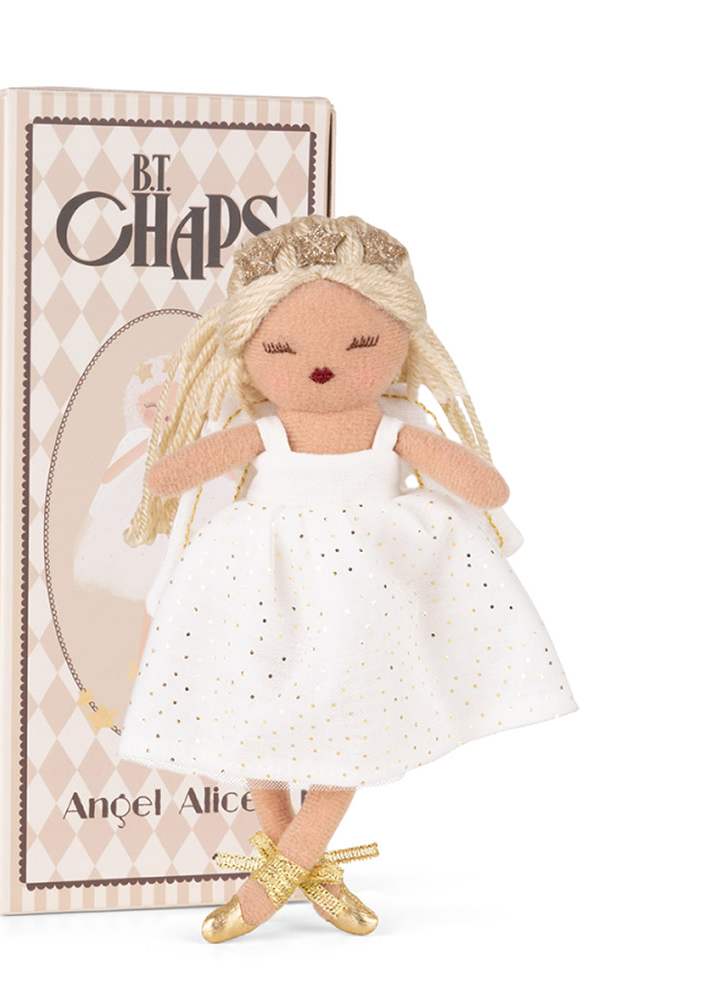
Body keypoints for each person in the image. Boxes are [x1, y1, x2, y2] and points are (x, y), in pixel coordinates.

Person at [117, 214, 577, 942]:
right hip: (262, 575)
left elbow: (486, 488)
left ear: (400, 341)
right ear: (248, 353)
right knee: (256, 701)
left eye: (361, 345)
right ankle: (308, 871)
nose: (322, 367)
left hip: (370, 584)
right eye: (282, 350)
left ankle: (277, 877)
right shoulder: (267, 431)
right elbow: (171, 476)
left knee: (357, 709)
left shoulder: (391, 428)